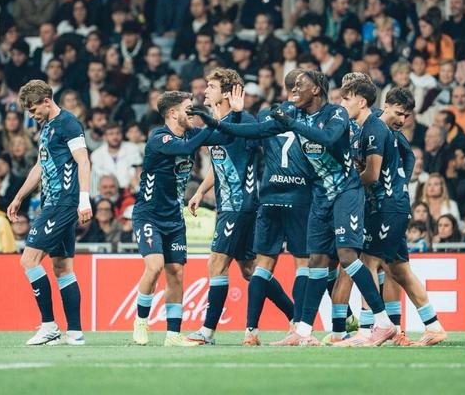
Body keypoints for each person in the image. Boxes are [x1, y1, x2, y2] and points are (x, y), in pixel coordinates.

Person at [207, 70, 395, 347]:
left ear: (316, 90)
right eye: (292, 86)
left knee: (346, 256)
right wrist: (218, 123)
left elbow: (328, 138)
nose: (293, 89)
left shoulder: (336, 113)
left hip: (346, 192)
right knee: (316, 261)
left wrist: (291, 124)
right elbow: (255, 131)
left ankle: (383, 322)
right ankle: (303, 331)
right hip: (320, 196)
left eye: (299, 85)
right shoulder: (294, 115)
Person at [190, 69, 312, 346]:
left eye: (211, 86)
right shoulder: (220, 123)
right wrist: (200, 190)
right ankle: (295, 318)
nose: (205, 90)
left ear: (227, 93)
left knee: (216, 263)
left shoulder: (243, 122)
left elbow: (252, 155)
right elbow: (221, 163)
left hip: (239, 205)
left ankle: (207, 332)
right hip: (231, 205)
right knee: (250, 270)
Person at [342, 81, 446, 346]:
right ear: (385, 106)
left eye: (406, 115)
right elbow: (405, 159)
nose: (402, 120)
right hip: (391, 205)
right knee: (398, 270)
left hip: (387, 207)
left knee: (368, 262)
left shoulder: (376, 128)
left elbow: (372, 174)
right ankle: (432, 326)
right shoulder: (380, 127)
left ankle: (369, 329)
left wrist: (349, 185)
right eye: (399, 113)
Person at [129, 90, 232, 347]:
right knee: (154, 266)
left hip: (175, 218)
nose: (193, 113)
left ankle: (173, 335)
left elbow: (224, 136)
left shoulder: (192, 134)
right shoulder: (159, 137)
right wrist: (208, 121)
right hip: (148, 215)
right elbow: (186, 148)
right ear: (173, 113)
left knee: (176, 273)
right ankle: (141, 321)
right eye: (189, 109)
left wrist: (227, 117)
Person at [6, 79, 92, 346]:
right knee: (62, 267)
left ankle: (49, 326)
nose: (32, 115)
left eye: (33, 110)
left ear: (46, 101)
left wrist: (84, 200)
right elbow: (40, 167)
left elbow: (83, 160)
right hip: (52, 202)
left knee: (29, 260)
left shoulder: (68, 123)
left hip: (62, 203)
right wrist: (19, 196)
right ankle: (75, 332)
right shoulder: (46, 127)